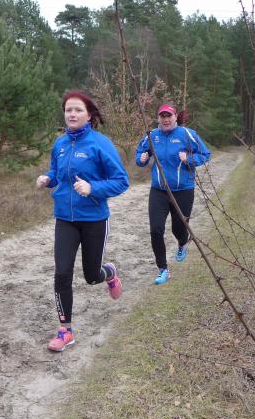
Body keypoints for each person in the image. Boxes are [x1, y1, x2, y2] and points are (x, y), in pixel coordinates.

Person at [36, 90, 130, 352]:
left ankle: (109, 272)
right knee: (62, 273)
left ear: (89, 115)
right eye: (68, 110)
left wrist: (93, 189)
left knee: (91, 276)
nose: (72, 114)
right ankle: (65, 330)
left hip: (94, 219)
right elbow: (57, 173)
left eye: (78, 110)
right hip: (65, 219)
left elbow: (121, 181)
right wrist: (48, 179)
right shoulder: (60, 144)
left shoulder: (100, 144)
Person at [135, 103, 211, 285]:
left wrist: (189, 159)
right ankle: (163, 269)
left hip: (183, 190)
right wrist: (142, 159)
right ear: (158, 118)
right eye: (162, 116)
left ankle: (182, 242)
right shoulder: (152, 136)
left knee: (178, 228)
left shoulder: (187, 134)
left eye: (169, 116)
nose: (166, 119)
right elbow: (140, 154)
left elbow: (205, 154)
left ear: (175, 117)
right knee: (156, 230)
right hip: (158, 191)